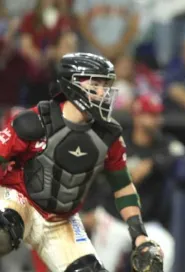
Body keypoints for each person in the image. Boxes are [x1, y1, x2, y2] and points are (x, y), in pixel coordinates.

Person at [0, 52, 163, 272]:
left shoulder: (108, 135)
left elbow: (123, 186)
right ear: (72, 84)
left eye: (106, 85)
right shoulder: (34, 121)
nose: (103, 92)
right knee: (3, 231)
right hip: (19, 201)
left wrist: (139, 236)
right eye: (95, 84)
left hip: (61, 220)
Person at [86, 95, 184, 272]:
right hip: (113, 218)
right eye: (151, 115)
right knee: (101, 266)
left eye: (157, 115)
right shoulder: (119, 143)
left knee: (166, 247)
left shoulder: (164, 143)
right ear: (138, 117)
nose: (156, 120)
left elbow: (179, 153)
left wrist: (151, 163)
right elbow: (92, 176)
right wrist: (89, 210)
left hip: (147, 223)